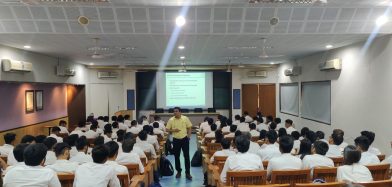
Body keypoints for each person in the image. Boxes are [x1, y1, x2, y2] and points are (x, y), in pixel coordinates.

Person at [166, 107, 193, 180]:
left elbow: (190, 127)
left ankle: (188, 173)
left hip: (184, 139)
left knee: (186, 156)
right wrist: (173, 130)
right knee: (176, 156)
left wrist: (189, 136)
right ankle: (178, 171)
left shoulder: (185, 118)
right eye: (174, 111)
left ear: (180, 112)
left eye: (176, 111)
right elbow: (167, 129)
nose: (175, 113)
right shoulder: (171, 120)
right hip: (176, 140)